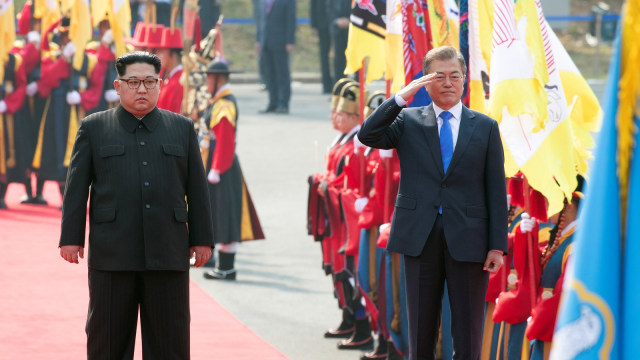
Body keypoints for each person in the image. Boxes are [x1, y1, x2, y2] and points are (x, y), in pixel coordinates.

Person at [59, 51, 214, 358]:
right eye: (133, 82)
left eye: (149, 82)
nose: (141, 89)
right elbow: (76, 189)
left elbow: (197, 189)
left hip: (168, 251)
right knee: (107, 340)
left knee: (170, 341)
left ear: (161, 84)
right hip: (112, 253)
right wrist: (71, 238)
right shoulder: (94, 128)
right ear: (118, 86)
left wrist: (202, 240)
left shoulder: (182, 128)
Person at [357, 45, 508, 360]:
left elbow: (495, 189)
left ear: (465, 79)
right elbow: (368, 135)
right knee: (421, 329)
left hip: (469, 238)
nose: (449, 83)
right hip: (420, 235)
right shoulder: (409, 120)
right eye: (439, 77)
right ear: (426, 81)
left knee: (467, 333)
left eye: (455, 76)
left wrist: (497, 245)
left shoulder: (484, 126)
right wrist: (401, 97)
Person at [200, 59, 264, 280]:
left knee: (226, 215)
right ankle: (224, 266)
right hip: (219, 166)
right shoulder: (219, 101)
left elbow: (225, 140)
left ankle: (226, 268)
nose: (206, 82)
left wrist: (216, 169)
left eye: (209, 77)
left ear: (218, 80)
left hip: (222, 168)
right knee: (221, 214)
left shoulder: (224, 104)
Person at [255, 0, 296, 114]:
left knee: (282, 74)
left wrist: (290, 41)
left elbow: (290, 20)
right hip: (265, 42)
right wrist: (258, 39)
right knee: (269, 74)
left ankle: (283, 103)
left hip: (281, 42)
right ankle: (273, 102)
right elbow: (260, 20)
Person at [156, 27, 185, 114]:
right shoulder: (171, 79)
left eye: (161, 52)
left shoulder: (179, 82)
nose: (158, 55)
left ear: (172, 55)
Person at [310, 0, 333, 94]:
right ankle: (326, 85)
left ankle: (340, 83)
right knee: (323, 56)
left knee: (341, 56)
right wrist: (313, 25)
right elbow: (313, 6)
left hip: (337, 22)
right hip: (322, 23)